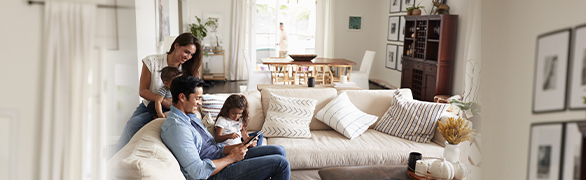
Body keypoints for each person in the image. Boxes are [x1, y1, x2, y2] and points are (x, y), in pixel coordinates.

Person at [161, 76, 290, 180]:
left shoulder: (190, 116)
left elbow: (214, 147)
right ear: (182, 97)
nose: (200, 103)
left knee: (279, 150)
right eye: (197, 98)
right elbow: (197, 172)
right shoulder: (177, 128)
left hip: (222, 157)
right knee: (281, 164)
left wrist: (241, 146)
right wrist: (231, 158)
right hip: (216, 173)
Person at [115, 33, 204, 152]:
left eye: (192, 54)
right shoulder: (151, 61)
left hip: (176, 108)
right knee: (131, 125)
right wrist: (164, 101)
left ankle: (133, 152)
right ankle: (116, 156)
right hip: (150, 104)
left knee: (135, 123)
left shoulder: (188, 69)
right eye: (186, 52)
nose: (188, 57)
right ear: (176, 45)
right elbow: (143, 91)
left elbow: (193, 94)